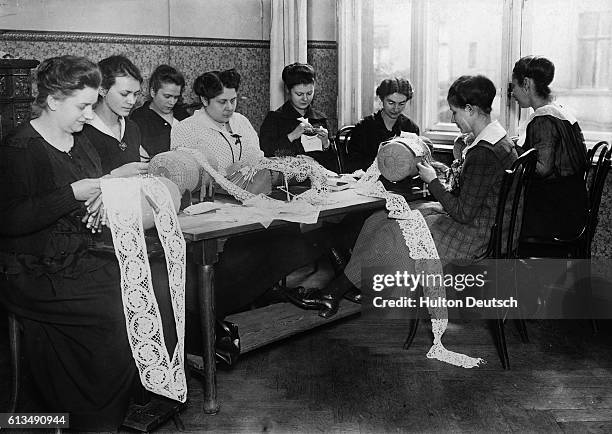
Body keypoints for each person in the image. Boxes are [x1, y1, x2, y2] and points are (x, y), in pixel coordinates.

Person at [292, 75, 518, 318]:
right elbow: (475, 194)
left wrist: (432, 181)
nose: (453, 119)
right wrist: (447, 173)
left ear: (470, 109)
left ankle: (331, 293)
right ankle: (356, 286)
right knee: (377, 220)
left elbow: (463, 212)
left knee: (393, 233)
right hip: (481, 226)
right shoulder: (497, 140)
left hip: (472, 237)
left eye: (454, 112)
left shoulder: (484, 152)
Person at [0, 55, 142, 431]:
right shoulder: (19, 148)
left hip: (78, 258)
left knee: (143, 294)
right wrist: (72, 195)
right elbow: (9, 219)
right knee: (118, 312)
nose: (88, 115)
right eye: (82, 106)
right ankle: (89, 418)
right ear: (52, 101)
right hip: (31, 270)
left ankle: (99, 410)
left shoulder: (81, 143)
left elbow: (89, 198)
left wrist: (101, 201)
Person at [171, 69, 319, 360]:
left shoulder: (241, 121)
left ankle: (235, 305)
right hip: (213, 210)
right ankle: (210, 318)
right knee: (241, 256)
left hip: (252, 203)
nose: (230, 108)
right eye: (222, 102)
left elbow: (257, 159)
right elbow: (186, 173)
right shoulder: (187, 128)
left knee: (287, 239)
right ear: (204, 100)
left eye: (234, 100)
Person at [511, 55, 588, 239]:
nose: (512, 93)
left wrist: (513, 150)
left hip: (555, 214)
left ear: (526, 84)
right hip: (575, 204)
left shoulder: (543, 118)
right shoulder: (560, 111)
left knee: (499, 217)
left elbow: (543, 168)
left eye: (513, 86)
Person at [259, 62, 336, 171]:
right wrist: (291, 136)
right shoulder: (274, 119)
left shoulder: (320, 119)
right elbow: (266, 155)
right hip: (287, 182)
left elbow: (334, 166)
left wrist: (326, 144)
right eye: (299, 94)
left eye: (309, 93)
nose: (305, 99)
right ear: (288, 90)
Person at [82, 55, 149, 176]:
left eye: (136, 94)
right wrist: (115, 175)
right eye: (124, 94)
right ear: (102, 89)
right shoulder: (82, 132)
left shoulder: (132, 128)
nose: (132, 101)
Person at [345, 77, 420, 173]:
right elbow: (353, 164)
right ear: (381, 99)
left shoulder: (411, 128)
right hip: (369, 181)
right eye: (391, 103)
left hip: (401, 184)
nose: (396, 109)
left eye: (401, 104)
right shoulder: (364, 127)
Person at [130, 64, 190, 157]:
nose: (172, 102)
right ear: (153, 92)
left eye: (176, 97)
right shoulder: (139, 118)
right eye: (167, 96)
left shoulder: (181, 113)